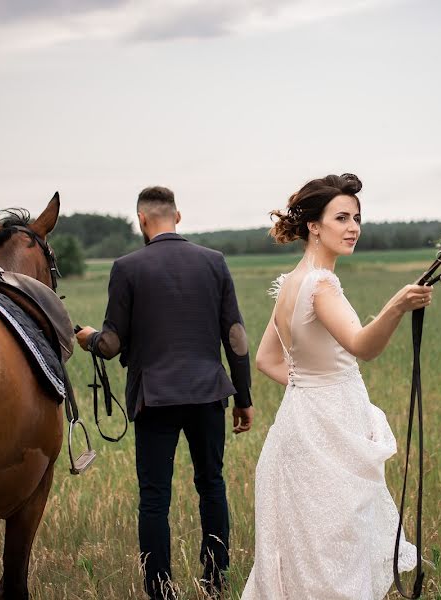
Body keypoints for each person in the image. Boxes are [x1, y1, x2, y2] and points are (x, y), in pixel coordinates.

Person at [242, 173, 432, 599]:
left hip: (299, 423)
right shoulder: (321, 284)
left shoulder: (292, 281)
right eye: (341, 217)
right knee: (334, 555)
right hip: (328, 429)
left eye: (357, 218)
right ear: (314, 225)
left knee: (309, 551)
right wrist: (398, 305)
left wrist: (312, 385)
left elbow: (267, 359)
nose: (353, 228)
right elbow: (363, 346)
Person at [75, 186, 253, 600]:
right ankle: (215, 583)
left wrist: (87, 338)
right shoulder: (214, 262)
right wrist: (242, 397)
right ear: (178, 216)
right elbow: (237, 337)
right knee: (212, 485)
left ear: (141, 220)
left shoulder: (126, 267)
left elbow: (111, 344)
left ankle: (160, 590)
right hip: (209, 395)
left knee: (154, 497)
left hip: (154, 399)